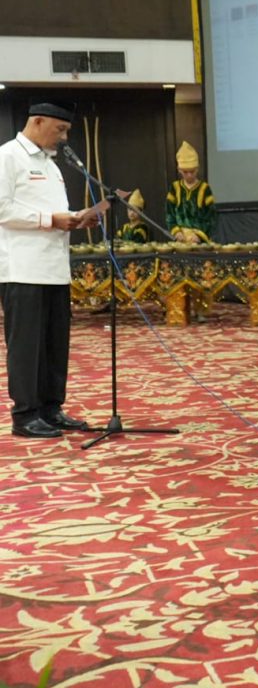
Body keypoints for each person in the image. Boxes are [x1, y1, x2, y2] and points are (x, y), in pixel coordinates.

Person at [1, 102, 102, 438]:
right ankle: (25, 415)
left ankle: (51, 408)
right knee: (27, 346)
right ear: (38, 121)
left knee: (55, 344)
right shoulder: (8, 156)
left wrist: (77, 217)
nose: (64, 137)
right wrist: (51, 220)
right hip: (23, 269)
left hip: (55, 267)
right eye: (60, 129)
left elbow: (54, 211)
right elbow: (2, 209)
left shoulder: (52, 165)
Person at [165, 142, 216, 243]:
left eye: (192, 171)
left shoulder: (205, 189)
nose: (189, 175)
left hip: (199, 240)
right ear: (179, 170)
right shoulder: (175, 188)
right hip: (180, 240)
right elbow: (169, 214)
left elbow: (211, 216)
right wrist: (176, 232)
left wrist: (199, 235)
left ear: (197, 169)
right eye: (185, 172)